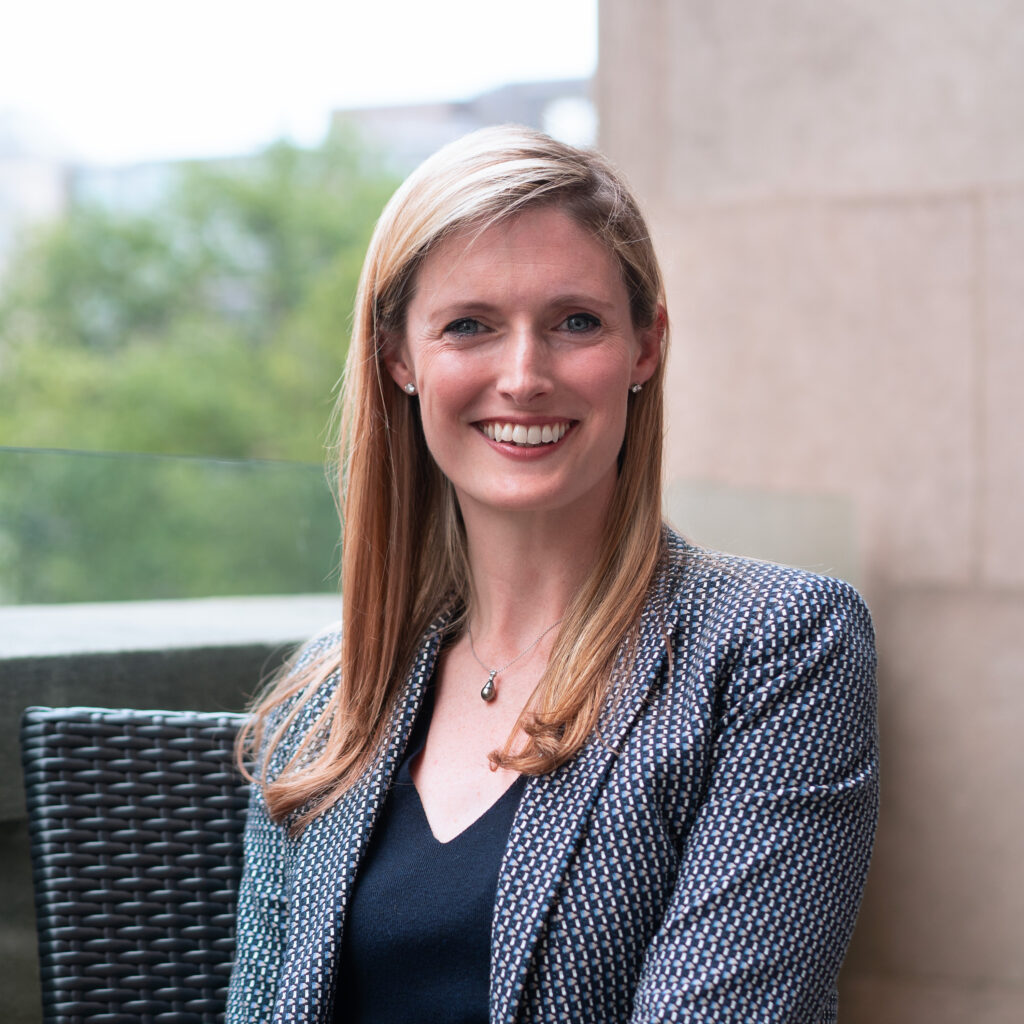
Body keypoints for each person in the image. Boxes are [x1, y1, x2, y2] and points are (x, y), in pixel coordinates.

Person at [226, 126, 878, 1024]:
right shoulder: (324, 700)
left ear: (645, 347)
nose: (524, 375)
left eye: (576, 322)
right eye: (469, 326)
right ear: (399, 360)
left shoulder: (778, 646)